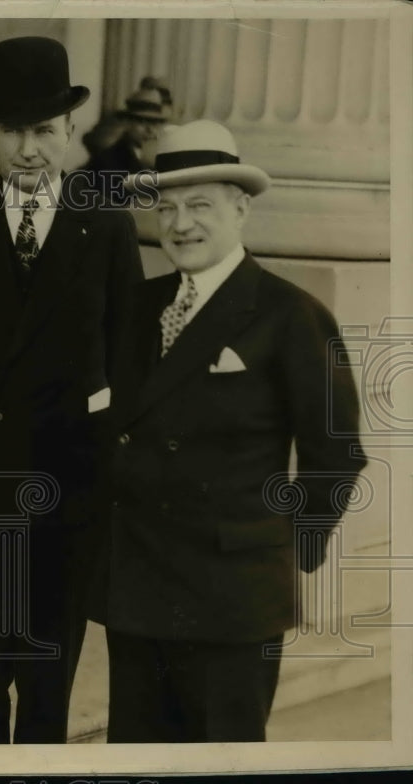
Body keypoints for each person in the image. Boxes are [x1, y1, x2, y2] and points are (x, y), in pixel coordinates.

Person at [89, 119, 367, 742]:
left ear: (240, 210)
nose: (181, 223)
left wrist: (279, 550)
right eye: (167, 207)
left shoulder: (291, 315)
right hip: (137, 591)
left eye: (200, 205)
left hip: (232, 603)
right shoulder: (137, 307)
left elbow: (336, 457)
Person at [0, 36, 144, 744]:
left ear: (70, 129)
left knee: (48, 705)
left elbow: (131, 365)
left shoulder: (106, 226)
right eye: (13, 130)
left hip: (66, 511)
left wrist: (103, 487)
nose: (28, 149)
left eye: (44, 130)